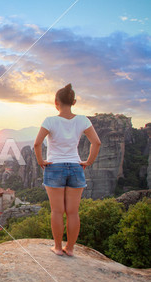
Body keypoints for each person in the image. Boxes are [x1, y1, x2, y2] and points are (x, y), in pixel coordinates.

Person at [33, 83, 101, 257]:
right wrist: (88, 162)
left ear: (56, 102)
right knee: (73, 212)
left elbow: (37, 143)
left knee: (57, 211)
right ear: (74, 102)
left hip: (54, 167)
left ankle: (57, 247)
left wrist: (41, 161)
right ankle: (70, 248)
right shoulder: (83, 120)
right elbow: (97, 142)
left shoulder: (50, 120)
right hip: (76, 167)